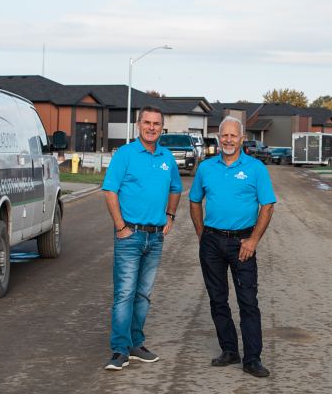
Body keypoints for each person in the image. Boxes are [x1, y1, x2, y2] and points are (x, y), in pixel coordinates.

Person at [189, 116, 276, 378]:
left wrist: (253, 240)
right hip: (212, 241)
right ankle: (229, 349)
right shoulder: (205, 167)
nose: (228, 140)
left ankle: (252, 358)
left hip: (243, 242)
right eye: (224, 135)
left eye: (233, 135)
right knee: (218, 298)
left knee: (248, 301)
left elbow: (268, 205)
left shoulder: (256, 168)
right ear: (219, 138)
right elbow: (194, 201)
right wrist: (202, 234)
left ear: (241, 138)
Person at [101, 105, 182, 371]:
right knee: (124, 293)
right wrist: (120, 226)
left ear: (161, 128)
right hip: (129, 236)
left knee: (143, 295)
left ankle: (136, 344)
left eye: (156, 124)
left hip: (155, 238)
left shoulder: (167, 157)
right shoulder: (124, 154)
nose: (151, 127)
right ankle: (120, 349)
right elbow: (110, 190)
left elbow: (176, 188)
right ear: (138, 125)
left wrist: (170, 216)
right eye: (147, 122)